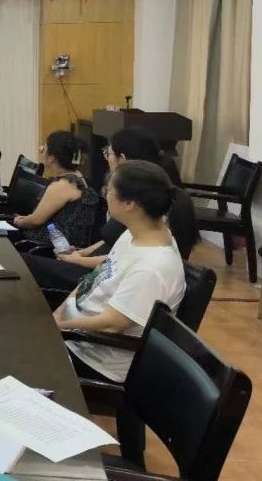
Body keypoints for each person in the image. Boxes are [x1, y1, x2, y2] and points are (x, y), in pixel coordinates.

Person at [54, 160, 186, 383]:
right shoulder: (134, 234)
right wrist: (59, 312)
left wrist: (57, 327)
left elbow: (111, 324)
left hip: (95, 361)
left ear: (129, 204)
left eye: (109, 191)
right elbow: (98, 275)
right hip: (75, 337)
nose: (105, 195)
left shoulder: (152, 269)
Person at [28, 127, 198, 295]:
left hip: (104, 278)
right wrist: (81, 254)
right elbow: (115, 249)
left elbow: (120, 262)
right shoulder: (134, 217)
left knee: (27, 265)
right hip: (100, 272)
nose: (106, 196)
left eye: (108, 153)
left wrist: (79, 260)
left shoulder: (142, 207)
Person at [12, 131, 101, 247]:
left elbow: (36, 220)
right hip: (65, 243)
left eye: (44, 149)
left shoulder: (62, 185)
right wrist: (27, 218)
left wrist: (18, 222)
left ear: (52, 158)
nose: (41, 150)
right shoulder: (78, 177)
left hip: (51, 247)